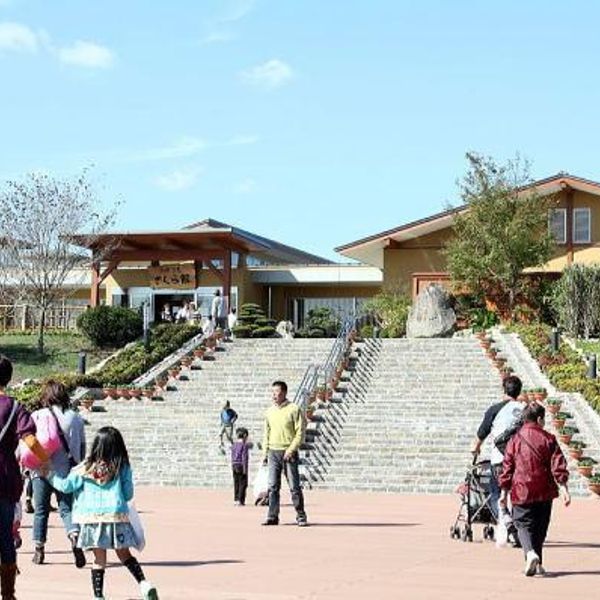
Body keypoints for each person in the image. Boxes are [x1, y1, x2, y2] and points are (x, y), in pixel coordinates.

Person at [47, 426, 159, 600]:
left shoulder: (85, 468)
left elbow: (66, 487)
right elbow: (128, 494)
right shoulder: (122, 466)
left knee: (99, 559)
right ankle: (144, 584)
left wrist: (49, 474)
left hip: (91, 520)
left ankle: (99, 596)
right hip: (117, 517)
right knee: (125, 555)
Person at [498, 402, 570, 576]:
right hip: (545, 490)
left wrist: (503, 493)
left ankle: (530, 553)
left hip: (521, 489)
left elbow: (507, 468)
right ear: (539, 419)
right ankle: (537, 562)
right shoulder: (549, 438)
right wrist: (565, 488)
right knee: (540, 527)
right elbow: (558, 464)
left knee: (522, 524)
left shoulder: (514, 440)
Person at [0, 355, 48, 600]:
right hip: (5, 480)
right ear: (8, 379)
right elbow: (29, 440)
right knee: (5, 538)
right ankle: (7, 593)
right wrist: (45, 460)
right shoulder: (15, 408)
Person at [30, 380, 86, 567]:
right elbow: (83, 447)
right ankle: (74, 537)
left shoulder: (38, 415)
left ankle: (39, 549)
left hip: (42, 470)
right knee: (67, 509)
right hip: (67, 472)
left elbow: (30, 441)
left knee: (41, 510)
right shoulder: (76, 418)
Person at [471, 375, 527, 523]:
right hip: (523, 462)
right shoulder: (527, 410)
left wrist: (475, 450)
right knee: (520, 494)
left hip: (500, 460)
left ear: (504, 390)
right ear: (519, 391)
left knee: (496, 492)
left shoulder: (494, 410)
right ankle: (518, 525)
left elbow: (480, 436)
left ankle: (506, 522)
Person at [262, 380, 307, 527]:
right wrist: (264, 454)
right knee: (273, 486)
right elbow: (266, 433)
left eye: (277, 391)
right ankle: (272, 516)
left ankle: (301, 515)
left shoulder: (294, 409)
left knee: (294, 486)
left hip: (289, 452)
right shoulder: (269, 411)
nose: (274, 395)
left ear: (284, 392)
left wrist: (291, 449)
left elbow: (300, 432)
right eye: (272, 392)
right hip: (273, 452)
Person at [231, 427, 250, 506]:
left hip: (234, 464)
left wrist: (232, 465)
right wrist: (245, 469)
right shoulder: (244, 445)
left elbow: (232, 456)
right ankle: (241, 500)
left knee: (236, 482)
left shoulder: (234, 445)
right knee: (243, 483)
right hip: (241, 465)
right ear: (245, 435)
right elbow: (244, 457)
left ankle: (236, 498)